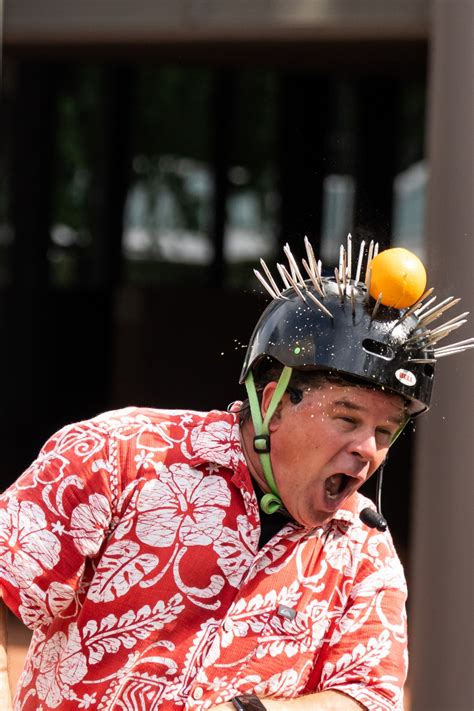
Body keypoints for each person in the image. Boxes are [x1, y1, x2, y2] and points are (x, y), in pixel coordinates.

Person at [0, 237, 471, 711]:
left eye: (386, 430)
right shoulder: (121, 453)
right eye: (346, 419)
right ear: (272, 402)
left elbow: (368, 697)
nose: (367, 449)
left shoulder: (363, 546)